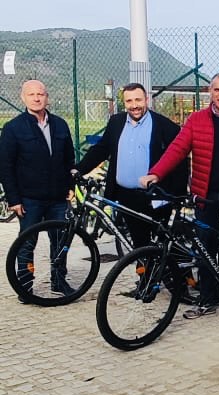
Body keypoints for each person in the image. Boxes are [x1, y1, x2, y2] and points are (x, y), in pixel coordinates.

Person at [140, 72, 219, 319]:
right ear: (210, 92)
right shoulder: (196, 120)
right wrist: (155, 173)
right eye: (217, 90)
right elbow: (177, 149)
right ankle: (207, 300)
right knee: (204, 249)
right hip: (205, 196)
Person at [74, 83, 189, 249]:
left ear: (146, 99)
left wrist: (177, 195)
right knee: (138, 244)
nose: (134, 105)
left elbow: (179, 159)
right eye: (129, 101)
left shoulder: (165, 126)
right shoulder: (116, 122)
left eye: (138, 100)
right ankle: (145, 274)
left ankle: (171, 274)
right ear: (124, 103)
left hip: (155, 197)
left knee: (163, 246)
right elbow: (102, 149)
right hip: (126, 196)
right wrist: (79, 168)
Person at [0, 80, 75, 296]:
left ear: (47, 97)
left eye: (40, 94)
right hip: (28, 199)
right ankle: (25, 285)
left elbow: (68, 159)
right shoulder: (13, 128)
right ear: (23, 98)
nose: (36, 98)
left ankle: (59, 281)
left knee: (60, 241)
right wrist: (14, 199)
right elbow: (5, 167)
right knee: (26, 243)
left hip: (58, 198)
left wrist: (70, 186)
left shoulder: (60, 125)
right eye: (31, 94)